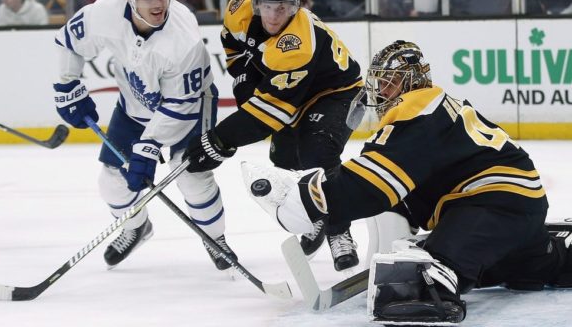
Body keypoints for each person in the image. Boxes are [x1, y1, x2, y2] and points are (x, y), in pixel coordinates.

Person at [241, 40, 572, 325]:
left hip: (493, 202)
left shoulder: (417, 109)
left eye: (390, 82)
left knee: (427, 274)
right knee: (531, 264)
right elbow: (399, 191)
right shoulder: (435, 108)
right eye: (380, 83)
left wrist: (309, 200)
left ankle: (437, 286)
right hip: (513, 204)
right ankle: (552, 253)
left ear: (411, 81)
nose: (383, 91)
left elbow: (374, 183)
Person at [52, 0, 236, 271]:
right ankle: (135, 226)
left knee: (190, 174)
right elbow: (69, 41)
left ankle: (214, 238)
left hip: (191, 107)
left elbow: (181, 105)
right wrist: (68, 85)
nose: (158, 3)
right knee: (112, 179)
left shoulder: (184, 38)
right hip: (134, 104)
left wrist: (148, 147)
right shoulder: (104, 14)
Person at [182, 0, 363, 272]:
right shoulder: (237, 11)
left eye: (281, 8)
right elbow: (236, 53)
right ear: (256, 2)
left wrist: (220, 139)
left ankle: (339, 231)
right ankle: (315, 217)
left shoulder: (298, 43)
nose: (272, 17)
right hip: (293, 91)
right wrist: (244, 82)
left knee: (317, 152)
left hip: (338, 92)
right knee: (284, 162)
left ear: (295, 5)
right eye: (266, 7)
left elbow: (269, 115)